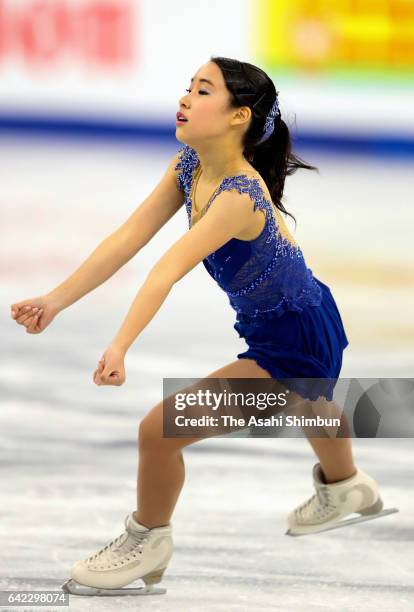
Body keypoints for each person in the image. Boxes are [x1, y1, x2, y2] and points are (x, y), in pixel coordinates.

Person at [10, 57, 390, 596]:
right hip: (298, 320)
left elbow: (165, 271)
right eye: (188, 87)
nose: (185, 98)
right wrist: (56, 300)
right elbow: (127, 240)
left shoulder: (238, 196)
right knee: (312, 397)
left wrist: (119, 346)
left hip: (294, 342)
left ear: (238, 116)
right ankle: (346, 484)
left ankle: (149, 541)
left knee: (158, 432)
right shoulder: (189, 165)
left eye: (203, 90)